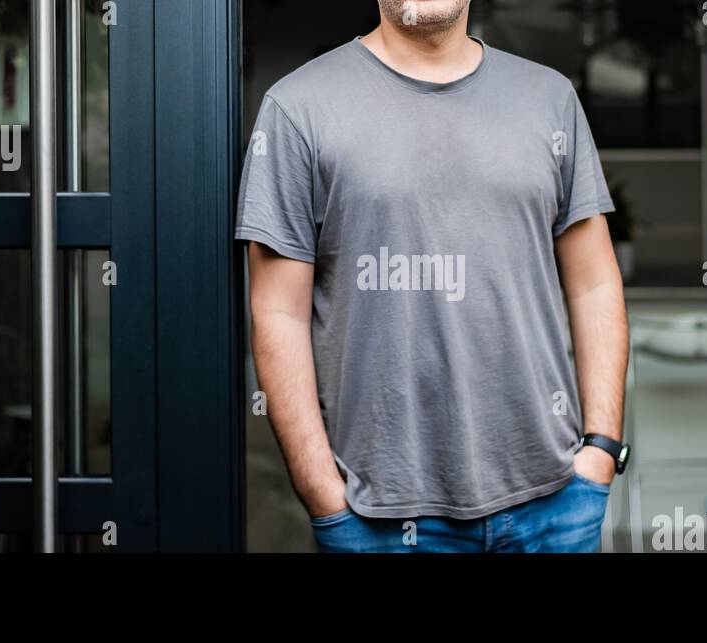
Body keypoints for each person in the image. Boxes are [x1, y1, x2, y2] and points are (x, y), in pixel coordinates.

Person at [236, 0, 629, 552]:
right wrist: (321, 491)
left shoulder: (549, 99)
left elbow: (594, 283)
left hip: (555, 503)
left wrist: (601, 450)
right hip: (378, 519)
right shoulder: (299, 107)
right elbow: (278, 311)